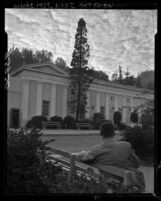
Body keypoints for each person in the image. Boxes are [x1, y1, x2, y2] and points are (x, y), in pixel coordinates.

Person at [72, 122, 145, 191]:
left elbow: (84, 158)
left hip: (111, 181)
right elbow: (137, 164)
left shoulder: (96, 149)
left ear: (101, 133)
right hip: (133, 183)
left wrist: (83, 152)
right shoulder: (126, 145)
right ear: (113, 133)